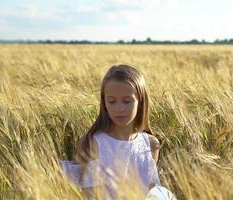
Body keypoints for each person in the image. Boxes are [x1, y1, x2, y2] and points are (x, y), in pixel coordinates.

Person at [59, 64, 165, 199]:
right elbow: (89, 195)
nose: (119, 108)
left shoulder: (151, 144)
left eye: (127, 101)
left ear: (141, 101)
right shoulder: (94, 143)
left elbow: (150, 191)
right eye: (112, 101)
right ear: (104, 103)